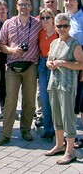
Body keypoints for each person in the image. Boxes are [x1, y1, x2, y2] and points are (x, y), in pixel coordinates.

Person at [0, 0, 41, 146]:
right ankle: (6, 133)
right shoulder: (8, 23)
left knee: (29, 101)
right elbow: (1, 45)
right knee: (10, 101)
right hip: (13, 67)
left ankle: (26, 130)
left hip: (30, 67)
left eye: (27, 4)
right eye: (21, 4)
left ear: (31, 6)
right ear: (16, 6)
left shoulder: (37, 24)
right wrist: (11, 50)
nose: (24, 7)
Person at [45, 13, 83, 165]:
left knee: (68, 117)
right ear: (55, 26)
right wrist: (50, 64)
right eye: (59, 26)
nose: (62, 29)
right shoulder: (54, 43)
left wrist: (63, 63)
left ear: (69, 27)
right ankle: (59, 145)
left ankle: (70, 151)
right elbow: (48, 59)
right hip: (54, 84)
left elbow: (81, 64)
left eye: (65, 26)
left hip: (67, 85)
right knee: (57, 116)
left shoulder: (74, 44)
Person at [64, 0, 83, 149]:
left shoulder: (82, 18)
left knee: (82, 103)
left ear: (78, 1)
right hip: (66, 65)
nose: (68, 2)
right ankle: (71, 135)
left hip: (80, 63)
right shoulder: (64, 18)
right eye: (66, 0)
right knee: (71, 102)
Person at [38, 8, 57, 141]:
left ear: (52, 18)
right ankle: (47, 128)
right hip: (42, 65)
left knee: (53, 98)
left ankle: (56, 129)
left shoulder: (58, 33)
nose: (45, 20)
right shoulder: (40, 33)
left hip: (54, 66)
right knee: (44, 98)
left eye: (47, 17)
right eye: (43, 18)